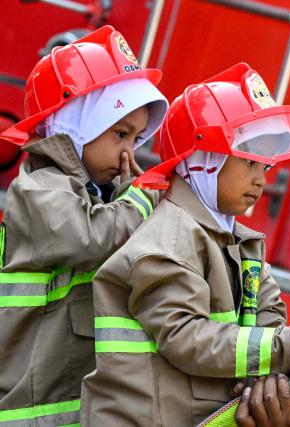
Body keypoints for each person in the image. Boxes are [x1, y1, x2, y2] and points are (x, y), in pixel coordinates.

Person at [80, 63, 290, 427]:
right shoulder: (168, 241)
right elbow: (186, 338)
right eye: (249, 162)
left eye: (267, 169)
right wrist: (282, 346)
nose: (261, 181)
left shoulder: (243, 243)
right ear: (204, 162)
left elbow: (268, 313)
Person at [0, 26, 167, 426]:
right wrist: (141, 200)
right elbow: (86, 236)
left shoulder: (103, 198)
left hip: (70, 406)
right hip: (28, 409)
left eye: (138, 138)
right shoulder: (38, 187)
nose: (130, 152)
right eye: (120, 134)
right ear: (74, 125)